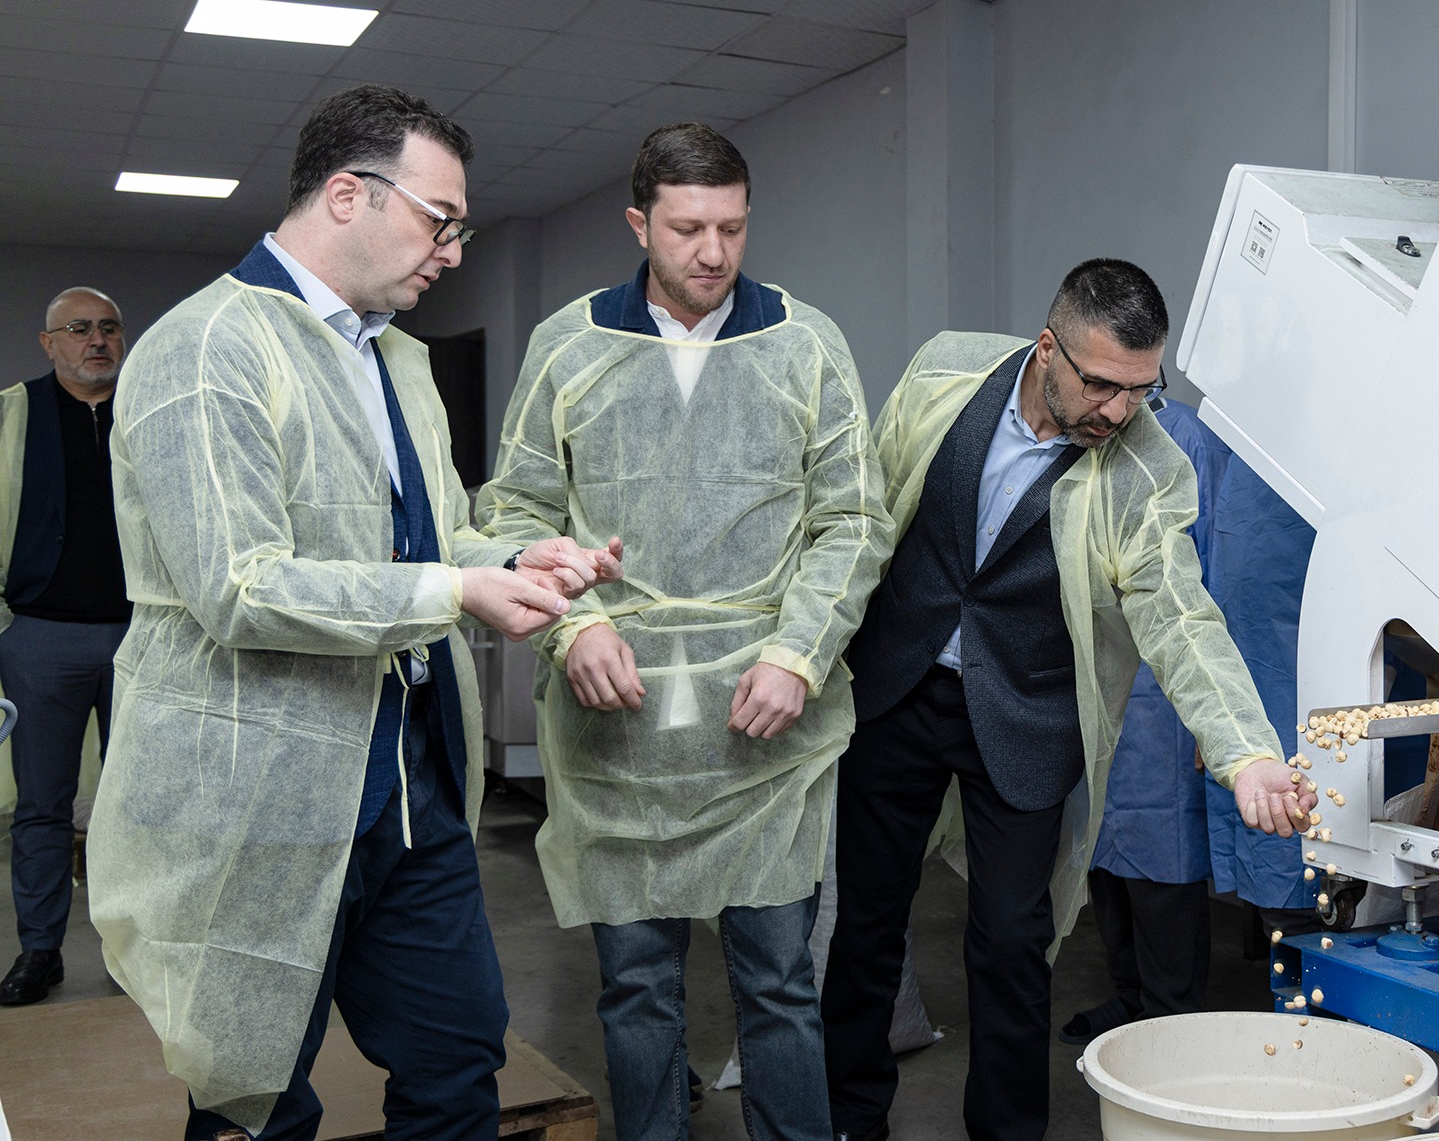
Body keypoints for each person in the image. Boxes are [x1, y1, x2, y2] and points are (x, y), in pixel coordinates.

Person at [87, 83, 622, 1140]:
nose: (454, 253)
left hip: (412, 789)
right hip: (259, 797)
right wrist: (455, 591)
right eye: (440, 221)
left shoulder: (396, 359)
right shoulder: (209, 347)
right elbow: (239, 584)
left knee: (458, 1061)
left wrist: (513, 557)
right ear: (347, 195)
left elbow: (432, 536)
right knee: (255, 1096)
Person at [822, 259, 1316, 1141]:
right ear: (1048, 349)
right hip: (899, 688)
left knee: (1013, 942)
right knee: (866, 924)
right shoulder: (947, 371)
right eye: (1101, 385)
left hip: (1026, 715)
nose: (1120, 411)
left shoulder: (1147, 468)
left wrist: (1245, 752)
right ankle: (849, 1120)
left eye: (1141, 389)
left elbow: (1182, 616)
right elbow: (865, 510)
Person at [478, 122, 891, 1141]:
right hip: (617, 726)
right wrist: (575, 628)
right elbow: (516, 512)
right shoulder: (571, 344)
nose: (713, 252)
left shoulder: (805, 343)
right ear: (639, 223)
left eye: (733, 228)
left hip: (765, 726)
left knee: (780, 981)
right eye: (688, 228)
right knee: (637, 986)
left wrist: (799, 653)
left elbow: (852, 519)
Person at [1061, 399, 1319, 1045]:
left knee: (1160, 861)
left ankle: (1170, 1017)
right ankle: (1129, 995)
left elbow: (1212, 585)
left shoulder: (1186, 439)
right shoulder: (1076, 433)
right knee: (1102, 851)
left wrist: (1220, 725)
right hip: (1095, 677)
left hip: (1164, 691)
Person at [0, 287, 132, 1006]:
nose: (96, 340)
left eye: (108, 327)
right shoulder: (12, 414)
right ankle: (40, 950)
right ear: (49, 342)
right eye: (78, 328)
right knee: (41, 804)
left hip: (142, 635)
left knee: (137, 802)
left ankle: (131, 951)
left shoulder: (149, 409)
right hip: (38, 636)